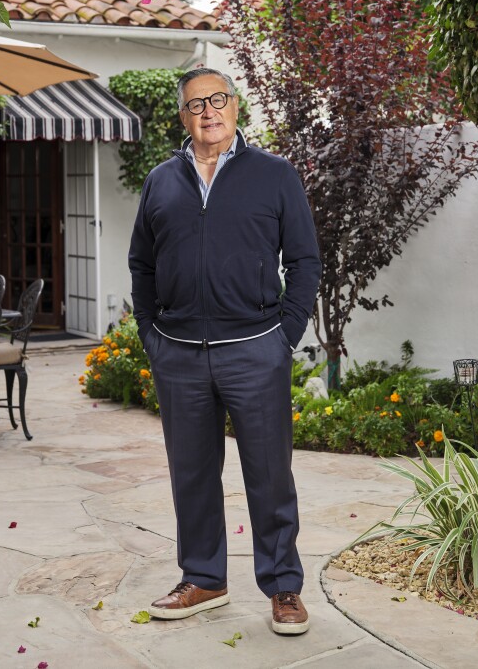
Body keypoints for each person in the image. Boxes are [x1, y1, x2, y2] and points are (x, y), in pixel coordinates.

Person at [128, 67, 321, 635]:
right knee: (191, 474)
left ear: (235, 107)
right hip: (180, 353)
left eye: (218, 100)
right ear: (183, 116)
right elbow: (142, 262)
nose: (208, 111)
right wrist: (150, 332)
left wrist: (285, 333)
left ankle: (284, 587)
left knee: (269, 475)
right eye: (195, 104)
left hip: (256, 350)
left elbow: (304, 260)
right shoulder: (161, 181)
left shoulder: (275, 175)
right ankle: (204, 578)